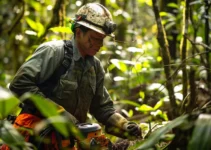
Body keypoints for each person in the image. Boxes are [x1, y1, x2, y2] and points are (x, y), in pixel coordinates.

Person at [1, 3, 141, 149]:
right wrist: (58, 113)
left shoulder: (95, 67)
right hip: (33, 136)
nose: (100, 44)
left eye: (102, 39)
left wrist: (124, 125)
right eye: (95, 38)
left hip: (66, 142)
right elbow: (19, 84)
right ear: (79, 32)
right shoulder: (54, 52)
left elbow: (102, 109)